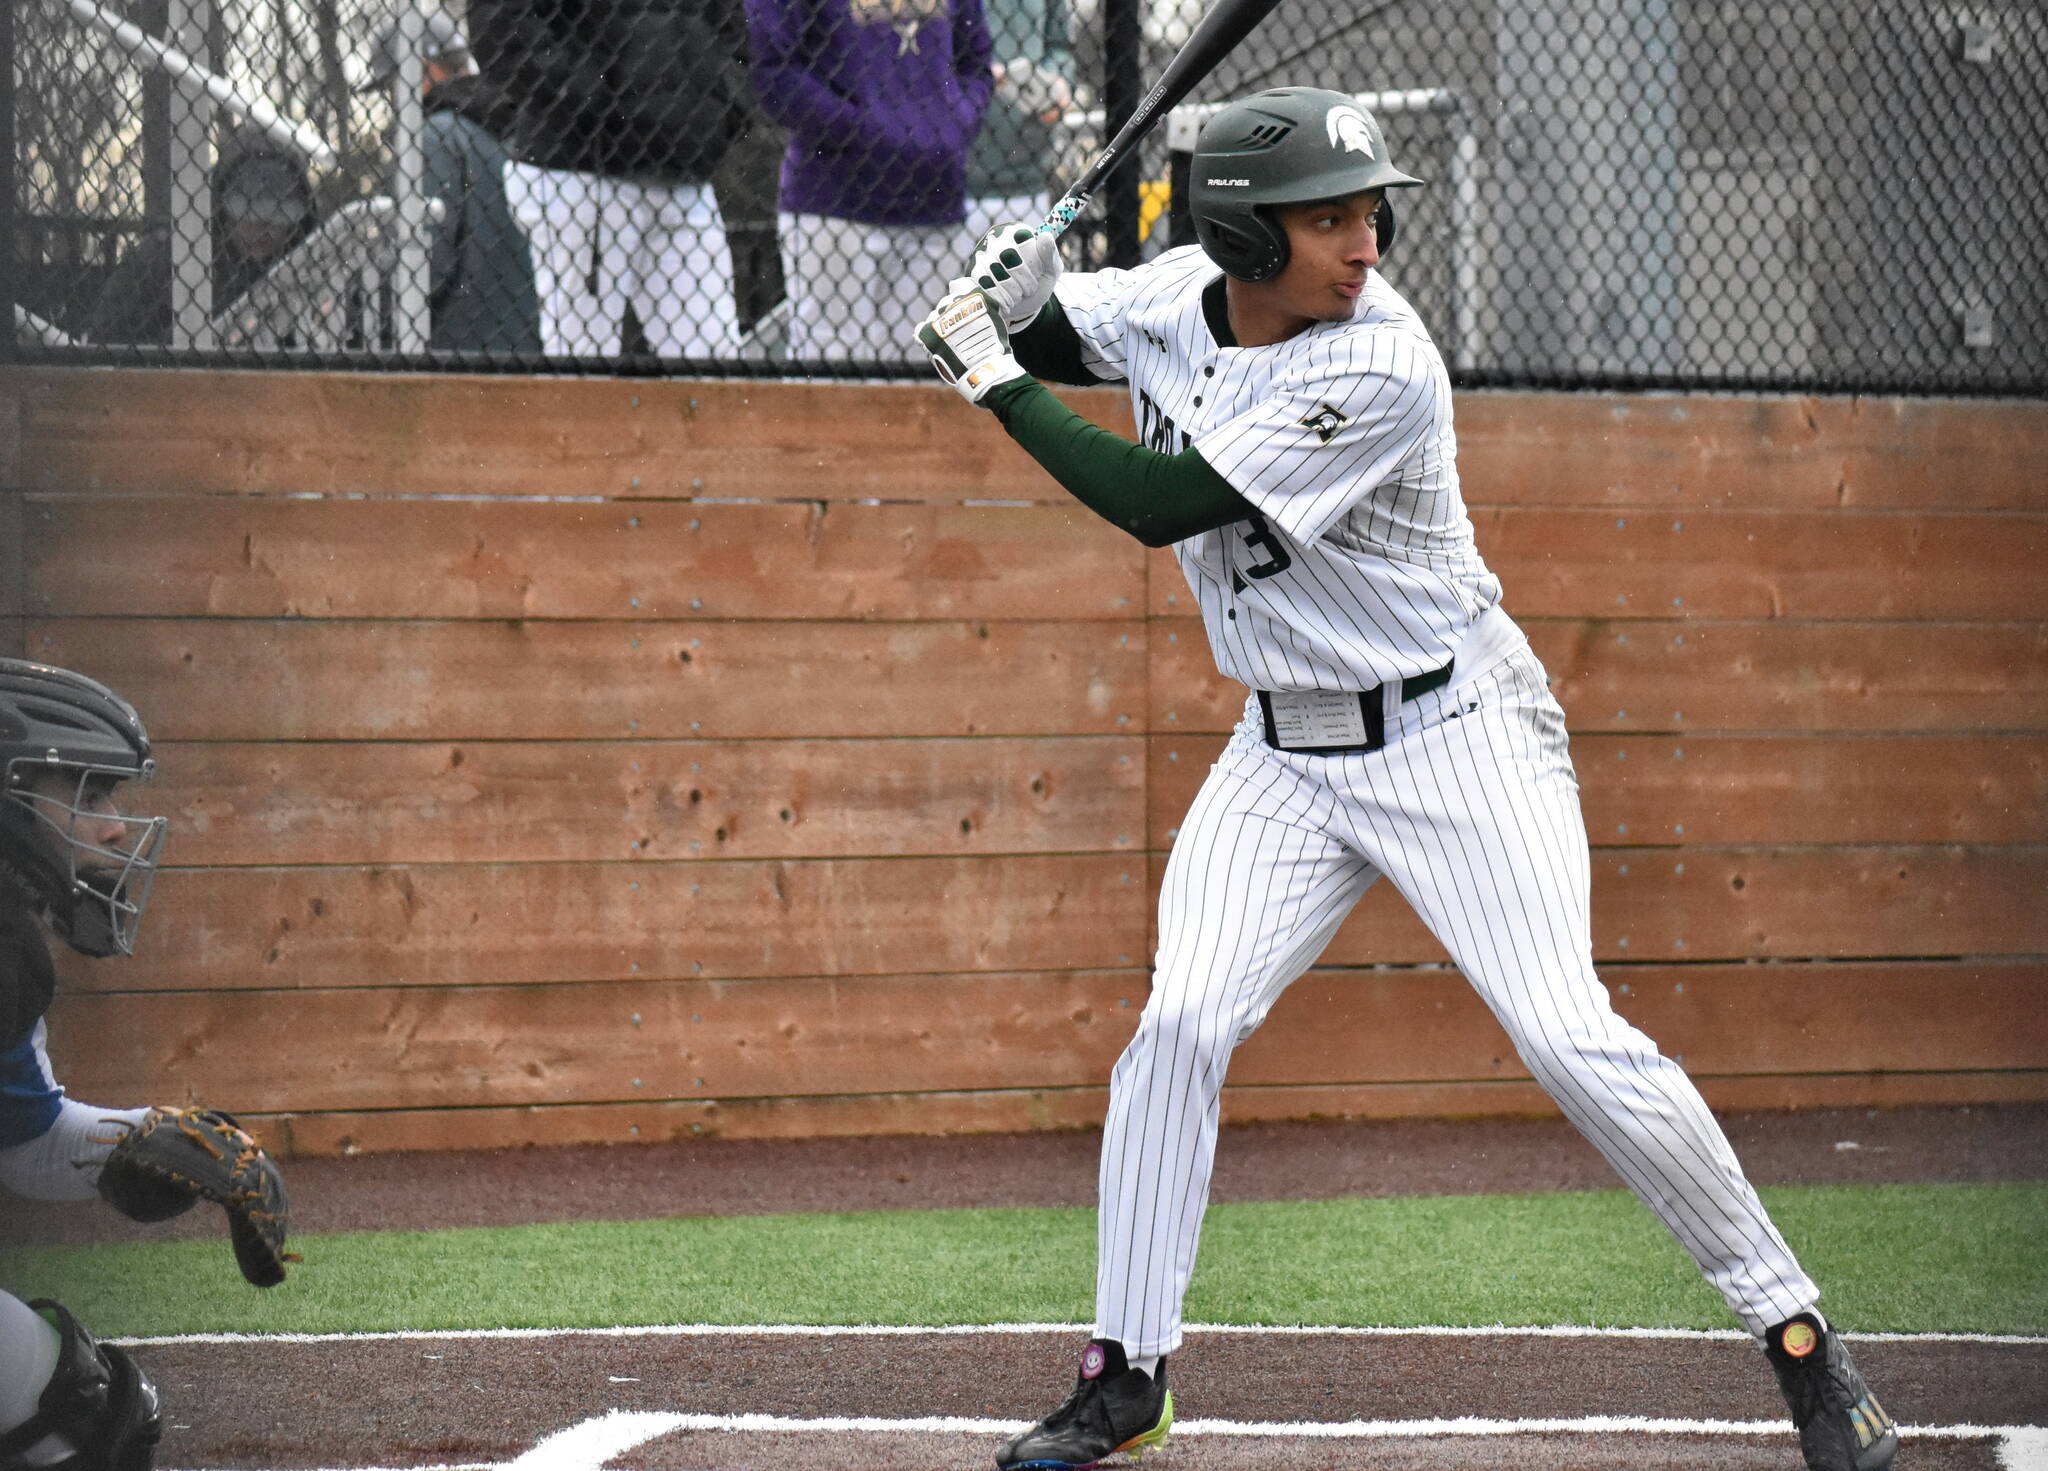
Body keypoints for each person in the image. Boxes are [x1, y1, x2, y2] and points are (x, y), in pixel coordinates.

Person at [915, 87, 1899, 1471]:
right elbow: (1091, 324)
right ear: (1247, 240)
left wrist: (992, 372)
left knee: (1567, 1031)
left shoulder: (1380, 362)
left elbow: (1158, 505)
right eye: (1330, 219)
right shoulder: (1181, 287)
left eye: (1371, 210)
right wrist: (1025, 306)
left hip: (1455, 730)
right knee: (1180, 1025)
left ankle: (1796, 1333)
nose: (1367, 241)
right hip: (1285, 749)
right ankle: (1123, 1371)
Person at [0, 660, 292, 1470]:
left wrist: (146, 1140)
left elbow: (25, 1133)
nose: (117, 828)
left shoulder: (11, 945)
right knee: (80, 1416)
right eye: (89, 796)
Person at [466, 0, 753, 358]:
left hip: (681, 169)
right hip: (582, 166)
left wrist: (723, 109)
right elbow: (498, 23)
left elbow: (737, 28)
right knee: (582, 362)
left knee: (715, 360)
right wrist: (587, 95)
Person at [746, 0, 995, 363]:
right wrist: (862, 128)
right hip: (833, 201)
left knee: (925, 373)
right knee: (829, 369)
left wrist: (954, 123)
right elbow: (772, 71)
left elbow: (977, 62)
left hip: (935, 201)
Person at [359, 10, 542, 354]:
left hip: (459, 358)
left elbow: (424, 270)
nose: (392, 100)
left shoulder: (433, 138)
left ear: (425, 69)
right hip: (533, 347)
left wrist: (361, 302)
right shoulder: (516, 129)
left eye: (391, 85)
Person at [76, 131, 317, 346]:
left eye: (282, 215)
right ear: (221, 209)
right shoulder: (163, 260)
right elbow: (108, 339)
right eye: (246, 211)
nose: (264, 230)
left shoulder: (311, 265)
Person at [962, 0, 1073, 242]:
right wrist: (972, 76)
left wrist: (1060, 84)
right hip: (954, 180)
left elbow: (1060, 45)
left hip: (1027, 173)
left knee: (1028, 274)